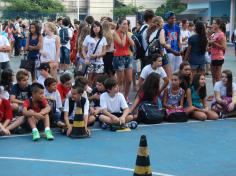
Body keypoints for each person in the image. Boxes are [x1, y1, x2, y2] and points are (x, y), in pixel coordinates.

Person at [113, 18, 134, 103]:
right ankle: (118, 98)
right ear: (119, 24)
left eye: (127, 24)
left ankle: (125, 97)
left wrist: (127, 34)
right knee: (120, 80)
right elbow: (121, 44)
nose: (126, 26)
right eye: (124, 24)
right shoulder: (115, 33)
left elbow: (133, 44)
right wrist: (125, 34)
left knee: (129, 80)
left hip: (128, 57)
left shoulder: (128, 33)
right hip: (119, 57)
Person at [82, 21, 107, 86]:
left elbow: (104, 52)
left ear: (100, 28)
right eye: (94, 27)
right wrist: (86, 58)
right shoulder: (88, 37)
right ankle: (89, 93)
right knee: (89, 79)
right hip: (90, 62)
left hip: (99, 62)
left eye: (98, 26)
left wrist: (96, 55)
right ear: (92, 28)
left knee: (98, 80)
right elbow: (83, 50)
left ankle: (96, 92)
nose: (96, 28)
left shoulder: (103, 38)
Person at [208, 19, 226, 89]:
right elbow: (211, 44)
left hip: (218, 57)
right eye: (212, 23)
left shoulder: (221, 34)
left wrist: (213, 43)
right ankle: (215, 93)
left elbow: (224, 47)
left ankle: (220, 93)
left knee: (217, 78)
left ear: (218, 25)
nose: (212, 25)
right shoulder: (214, 33)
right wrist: (209, 48)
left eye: (214, 23)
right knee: (213, 77)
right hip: (212, 56)